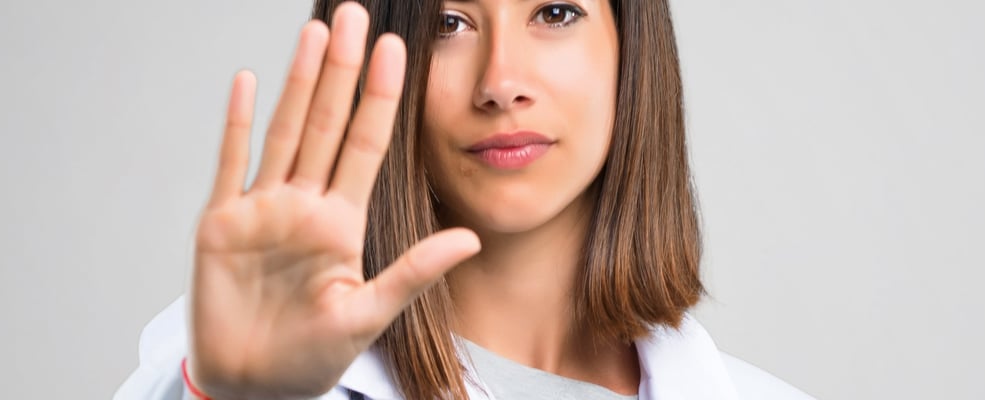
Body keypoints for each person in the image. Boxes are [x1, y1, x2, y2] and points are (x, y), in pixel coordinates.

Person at [116, 0, 815, 399]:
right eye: (448, 23)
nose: (502, 82)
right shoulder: (237, 372)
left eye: (556, 11)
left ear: (632, 49)